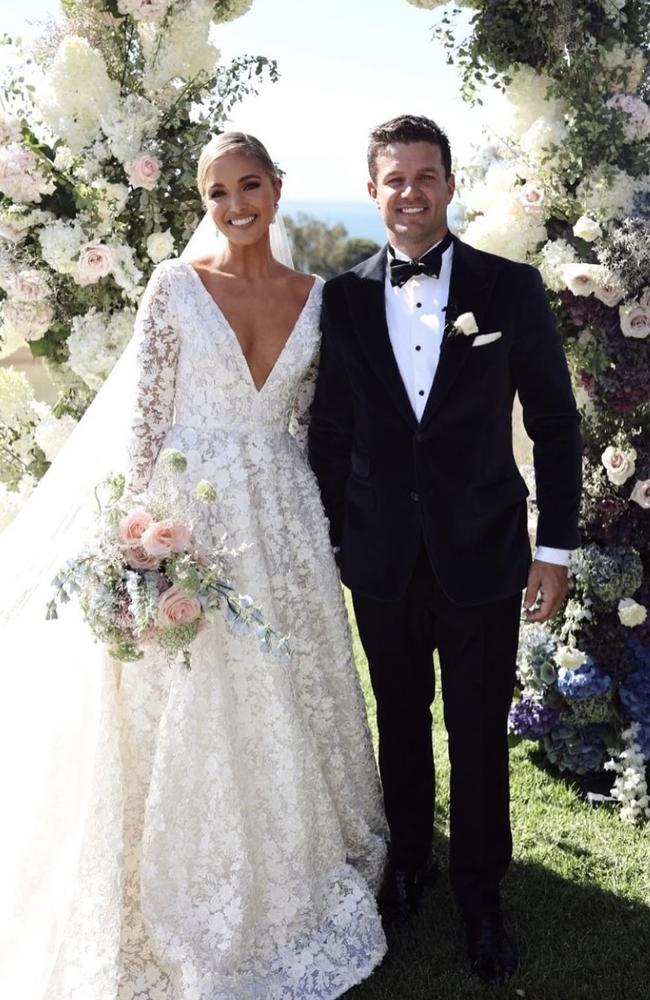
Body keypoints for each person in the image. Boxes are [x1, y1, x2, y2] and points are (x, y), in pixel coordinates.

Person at [0, 133, 387, 1000]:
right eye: (218, 192)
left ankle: (293, 853)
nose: (236, 204)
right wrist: (140, 534)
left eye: (250, 185)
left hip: (281, 522)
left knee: (285, 686)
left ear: (277, 188)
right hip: (188, 515)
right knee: (181, 694)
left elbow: (315, 425)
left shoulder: (317, 299)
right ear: (202, 200)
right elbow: (143, 429)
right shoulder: (174, 288)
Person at [308, 114, 582, 984]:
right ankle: (409, 863)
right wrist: (336, 539)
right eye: (395, 178)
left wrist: (557, 549)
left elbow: (556, 422)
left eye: (426, 176)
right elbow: (330, 432)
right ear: (373, 188)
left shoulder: (511, 289)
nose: (411, 192)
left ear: (450, 185)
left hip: (486, 551)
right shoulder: (340, 297)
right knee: (398, 721)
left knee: (476, 731)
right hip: (381, 557)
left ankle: (480, 893)